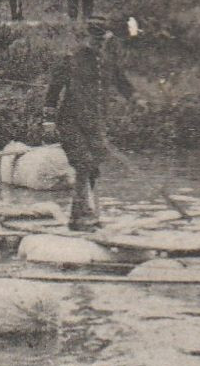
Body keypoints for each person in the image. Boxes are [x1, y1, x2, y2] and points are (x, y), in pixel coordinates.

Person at [42, 17, 144, 231]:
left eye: (102, 41)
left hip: (96, 125)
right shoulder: (70, 60)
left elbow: (121, 81)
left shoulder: (107, 60)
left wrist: (135, 98)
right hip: (71, 122)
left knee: (93, 169)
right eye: (95, 40)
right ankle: (81, 217)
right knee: (84, 163)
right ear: (87, 37)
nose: (98, 45)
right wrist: (49, 121)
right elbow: (52, 92)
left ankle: (85, 214)